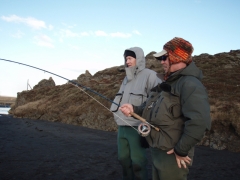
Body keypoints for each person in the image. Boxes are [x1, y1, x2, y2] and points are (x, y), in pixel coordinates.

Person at [120, 37, 211, 180]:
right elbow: (150, 107)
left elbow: (199, 121)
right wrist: (134, 109)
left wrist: (181, 150)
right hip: (158, 150)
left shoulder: (190, 84)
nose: (161, 61)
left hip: (173, 155)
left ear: (176, 58)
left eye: (164, 57)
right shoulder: (167, 82)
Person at [110, 47, 161, 180]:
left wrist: (148, 124)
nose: (127, 61)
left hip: (137, 127)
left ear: (138, 59)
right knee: (123, 159)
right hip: (122, 126)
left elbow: (158, 99)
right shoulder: (126, 79)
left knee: (138, 162)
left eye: (130, 58)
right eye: (126, 58)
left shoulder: (150, 75)